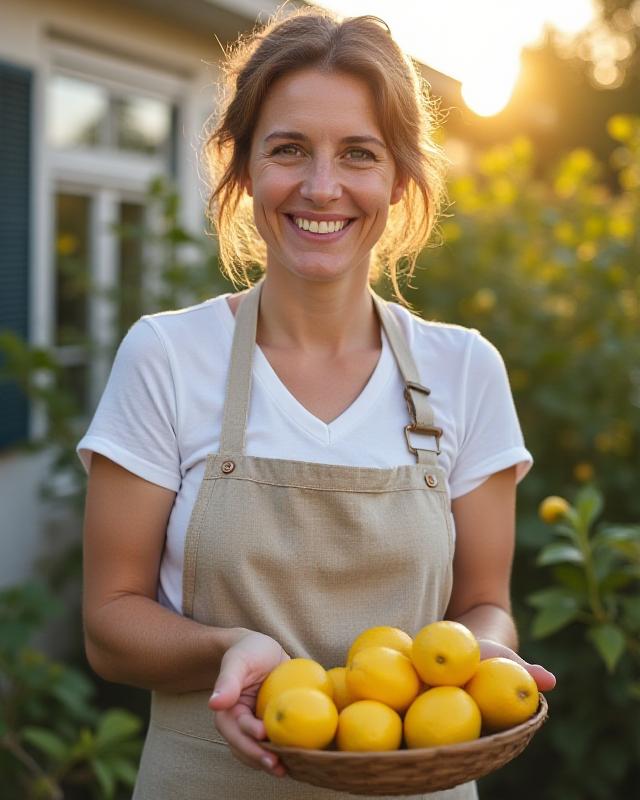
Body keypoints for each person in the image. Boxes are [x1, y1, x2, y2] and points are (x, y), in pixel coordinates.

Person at [78, 7, 556, 799]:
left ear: (399, 178)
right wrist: (228, 648)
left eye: (358, 154)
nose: (321, 186)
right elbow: (109, 623)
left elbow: (483, 604)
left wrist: (485, 654)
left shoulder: (464, 369)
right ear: (245, 167)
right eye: (289, 149)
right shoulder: (167, 357)